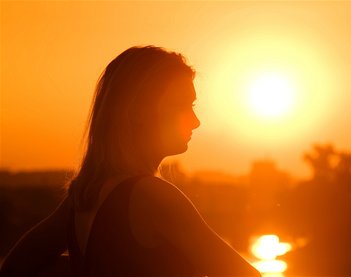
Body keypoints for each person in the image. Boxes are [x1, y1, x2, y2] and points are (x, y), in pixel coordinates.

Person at [1, 46, 262, 277]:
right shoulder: (153, 196)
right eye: (181, 105)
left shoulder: (83, 196)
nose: (195, 121)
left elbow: (15, 267)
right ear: (138, 112)